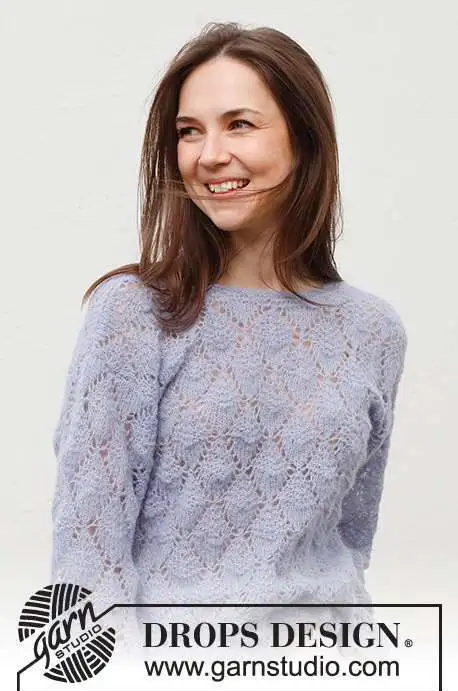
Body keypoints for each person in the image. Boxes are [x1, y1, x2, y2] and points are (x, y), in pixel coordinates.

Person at [50, 22, 407, 638]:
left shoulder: (372, 330)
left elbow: (350, 540)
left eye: (239, 124)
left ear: (304, 139)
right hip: (174, 667)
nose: (209, 154)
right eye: (189, 131)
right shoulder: (133, 313)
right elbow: (88, 559)